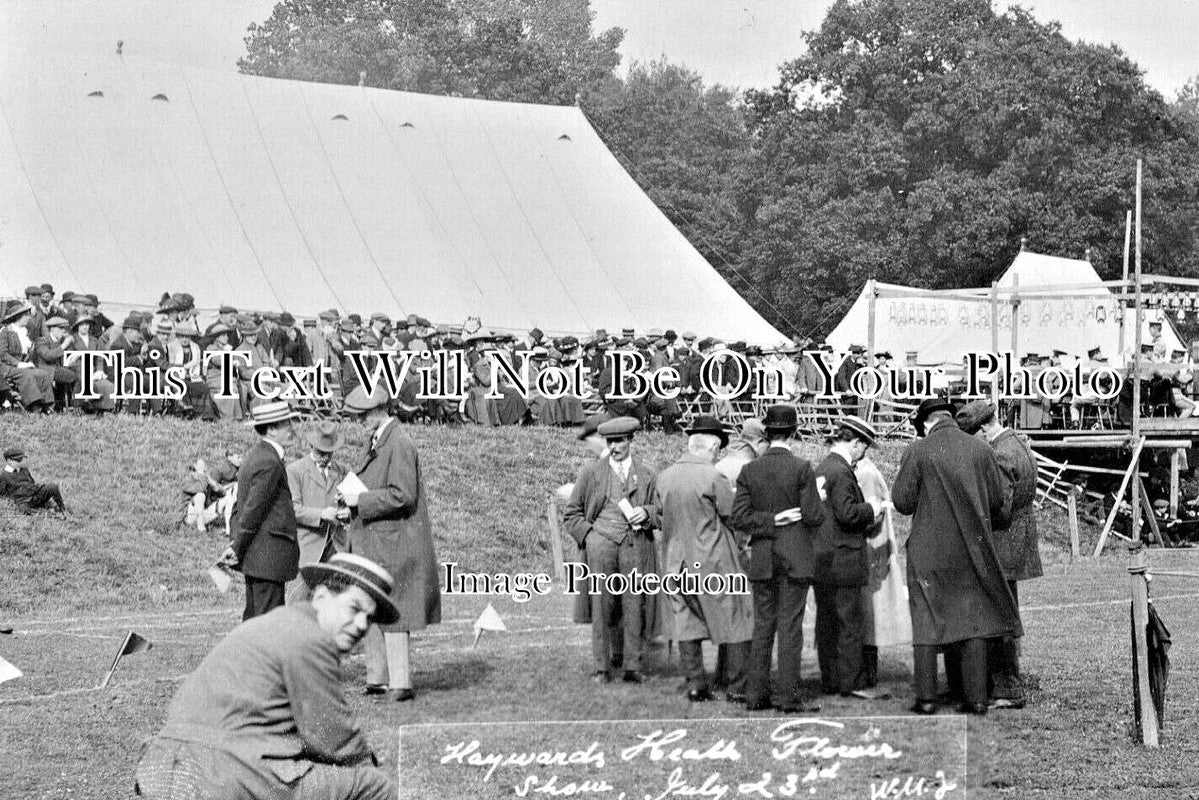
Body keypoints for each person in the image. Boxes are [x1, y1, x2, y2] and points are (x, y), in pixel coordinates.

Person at [134, 553, 397, 800]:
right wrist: (370, 766)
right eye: (354, 608)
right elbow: (336, 739)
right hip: (221, 775)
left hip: (163, 767)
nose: (363, 624)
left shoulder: (277, 623)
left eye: (370, 618)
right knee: (374, 786)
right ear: (321, 598)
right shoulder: (311, 640)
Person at [892, 398, 1018, 716]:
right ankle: (976, 699)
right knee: (972, 622)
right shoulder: (982, 450)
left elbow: (903, 502)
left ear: (925, 423)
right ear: (949, 416)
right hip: (972, 550)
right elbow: (996, 501)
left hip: (927, 554)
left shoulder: (918, 450)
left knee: (925, 623)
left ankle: (927, 699)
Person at [340, 385, 441, 702]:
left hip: (393, 541)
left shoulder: (397, 442)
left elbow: (402, 494)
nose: (357, 423)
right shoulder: (382, 440)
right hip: (379, 540)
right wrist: (353, 505)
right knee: (374, 607)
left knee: (395, 610)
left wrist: (361, 499)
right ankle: (379, 679)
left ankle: (400, 682)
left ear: (375, 412)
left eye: (360, 417)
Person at [732, 404, 825, 713]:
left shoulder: (750, 470)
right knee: (789, 628)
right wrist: (803, 508)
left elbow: (739, 517)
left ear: (767, 434)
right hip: (795, 557)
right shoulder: (801, 468)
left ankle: (755, 695)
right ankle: (786, 696)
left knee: (762, 627)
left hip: (762, 557)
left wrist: (770, 520)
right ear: (795, 432)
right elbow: (813, 516)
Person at [653, 415, 753, 703]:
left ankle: (696, 684)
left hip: (675, 561)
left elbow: (659, 516)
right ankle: (736, 686)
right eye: (718, 450)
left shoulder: (665, 476)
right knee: (734, 618)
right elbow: (732, 515)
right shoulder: (713, 476)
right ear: (711, 449)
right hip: (713, 560)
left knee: (686, 623)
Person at [956, 400, 1042, 710]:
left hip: (1003, 545)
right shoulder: (1015, 440)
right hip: (1016, 543)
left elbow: (1000, 509)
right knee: (1005, 612)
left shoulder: (1000, 454)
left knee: (1000, 616)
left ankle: (1007, 687)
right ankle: (1005, 681)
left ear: (981, 429)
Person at [563, 416, 659, 684]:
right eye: (610, 441)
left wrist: (647, 513)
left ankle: (632, 666)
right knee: (602, 606)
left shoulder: (648, 474)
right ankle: (601, 668)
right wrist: (590, 536)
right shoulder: (591, 473)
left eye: (619, 441)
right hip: (600, 547)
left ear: (631, 441)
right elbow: (572, 514)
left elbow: (661, 512)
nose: (614, 446)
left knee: (634, 605)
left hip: (635, 546)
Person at [812, 416, 886, 699]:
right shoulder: (842, 472)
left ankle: (831, 679)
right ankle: (851, 682)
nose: (863, 455)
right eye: (864, 448)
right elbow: (847, 513)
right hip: (845, 558)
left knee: (827, 621)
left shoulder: (822, 467)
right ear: (856, 443)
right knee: (849, 622)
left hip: (823, 558)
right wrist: (872, 508)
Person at [224, 401, 302, 621]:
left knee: (255, 620)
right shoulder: (269, 461)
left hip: (258, 556)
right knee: (267, 624)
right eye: (287, 423)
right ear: (272, 429)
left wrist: (236, 543)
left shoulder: (257, 455)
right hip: (267, 557)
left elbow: (240, 507)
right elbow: (252, 509)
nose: (292, 428)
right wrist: (237, 546)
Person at [286, 423, 349, 602]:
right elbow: (292, 508)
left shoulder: (342, 470)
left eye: (330, 453)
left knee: (337, 604)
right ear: (311, 447)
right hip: (306, 548)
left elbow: (353, 499)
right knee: (298, 602)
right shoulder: (295, 471)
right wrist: (321, 514)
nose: (325, 457)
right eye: (321, 452)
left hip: (336, 546)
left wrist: (347, 512)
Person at [0, 446, 66, 514]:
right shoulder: (4, 476)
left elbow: (32, 482)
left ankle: (62, 509)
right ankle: (47, 514)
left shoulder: (24, 469)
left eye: (22, 459)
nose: (22, 461)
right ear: (9, 461)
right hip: (23, 501)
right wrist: (12, 502)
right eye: (19, 460)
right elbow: (2, 494)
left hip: (34, 495)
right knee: (24, 509)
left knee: (53, 486)